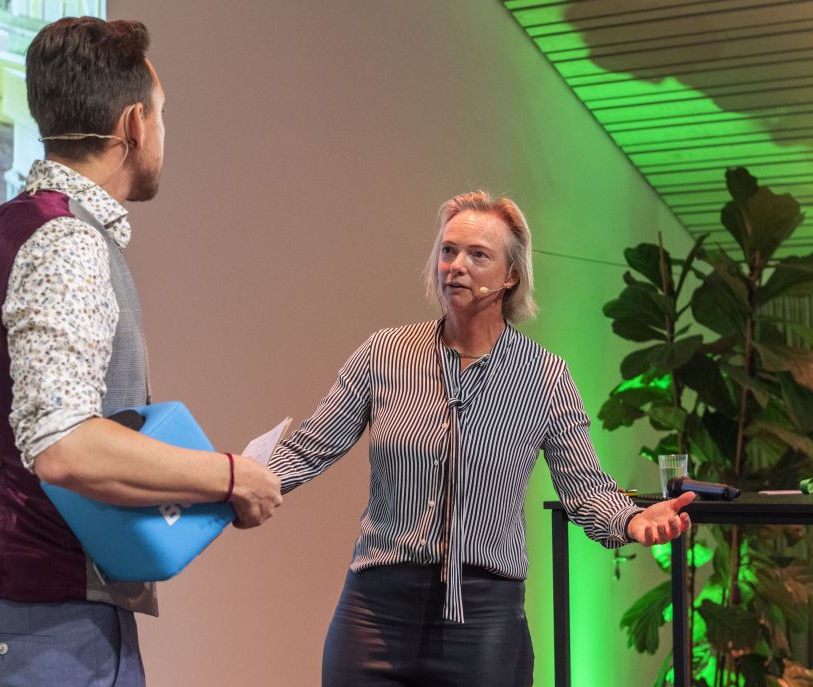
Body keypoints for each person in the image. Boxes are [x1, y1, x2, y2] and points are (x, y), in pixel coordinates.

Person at [0, 18, 282, 687]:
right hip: (45, 622)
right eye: (162, 114)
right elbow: (65, 446)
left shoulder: (9, 224)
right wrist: (229, 477)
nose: (163, 131)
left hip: (39, 614)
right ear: (133, 125)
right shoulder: (65, 241)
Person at [268, 191, 694, 687]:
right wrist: (231, 482)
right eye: (448, 251)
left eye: (478, 255)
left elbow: (586, 489)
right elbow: (310, 448)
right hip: (376, 610)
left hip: (483, 618)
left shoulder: (544, 376)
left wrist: (633, 519)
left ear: (511, 275)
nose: (456, 266)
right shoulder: (384, 354)